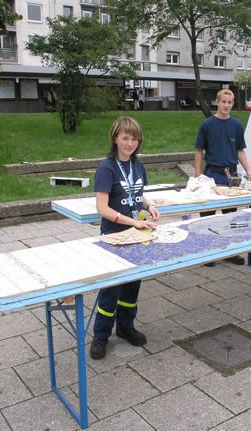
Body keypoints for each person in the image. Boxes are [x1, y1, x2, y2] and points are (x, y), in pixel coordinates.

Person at [90, 116, 161, 360]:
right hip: (114, 235)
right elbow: (102, 208)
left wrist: (150, 205)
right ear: (115, 139)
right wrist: (134, 222)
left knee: (132, 284)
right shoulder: (106, 167)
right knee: (112, 287)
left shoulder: (137, 165)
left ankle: (125, 327)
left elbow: (138, 194)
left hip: (136, 233)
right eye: (125, 138)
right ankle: (100, 335)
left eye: (134, 138)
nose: (130, 143)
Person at [194, 88, 251, 266]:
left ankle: (229, 250)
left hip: (232, 177)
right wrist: (198, 174)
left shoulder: (236, 126)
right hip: (212, 175)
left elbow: (240, 151)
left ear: (233, 104)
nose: (226, 105)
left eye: (230, 102)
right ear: (217, 102)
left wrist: (249, 170)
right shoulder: (207, 125)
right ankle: (207, 251)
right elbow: (199, 150)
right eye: (224, 102)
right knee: (208, 215)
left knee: (230, 216)